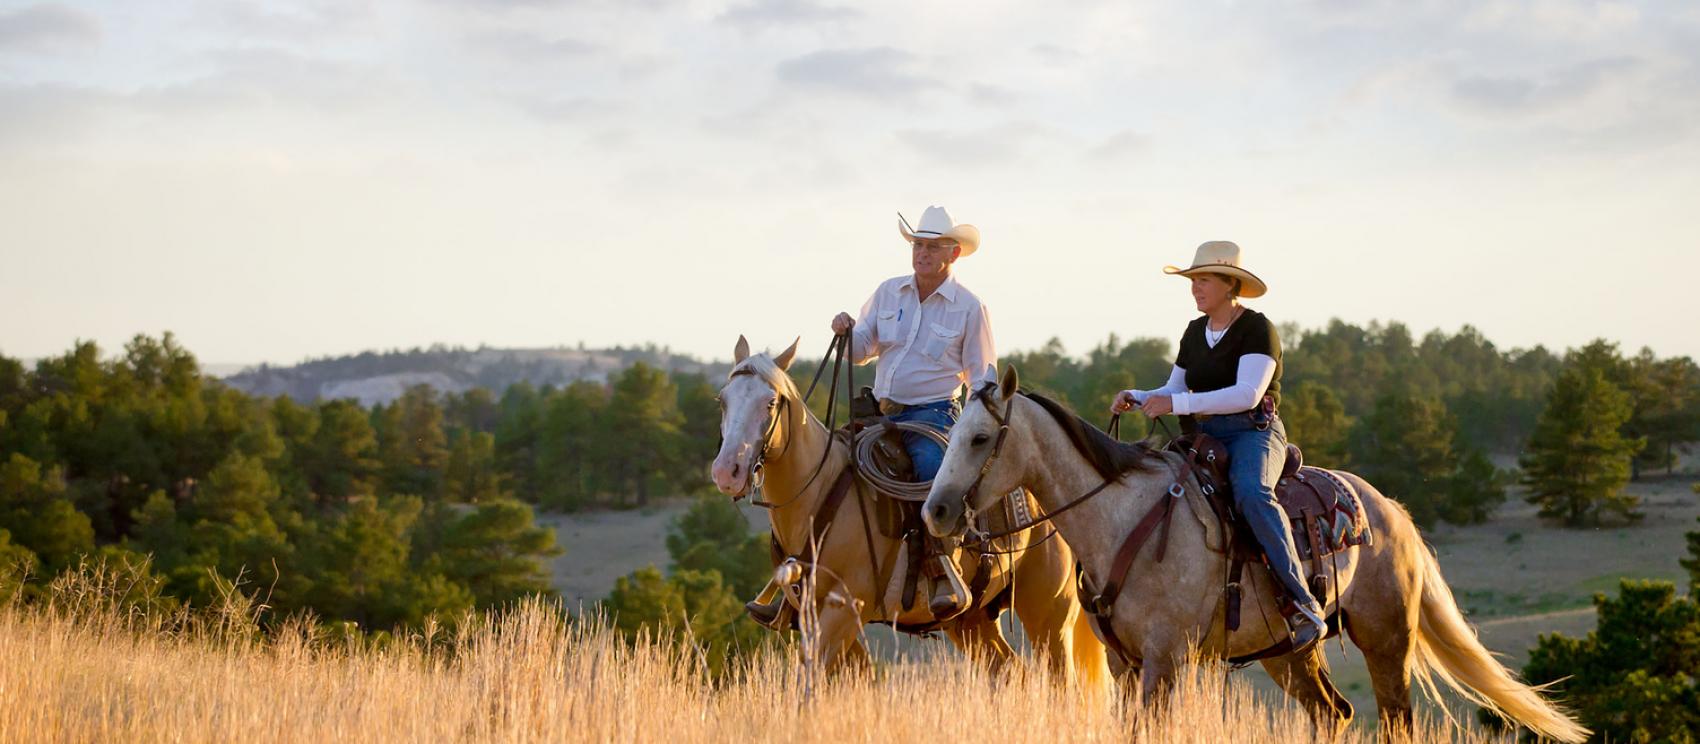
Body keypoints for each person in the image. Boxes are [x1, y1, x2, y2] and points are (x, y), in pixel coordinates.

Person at [1109, 240, 1327, 653]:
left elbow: (1247, 394)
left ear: (1230, 284)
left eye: (1204, 280)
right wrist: (1138, 396)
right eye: (1192, 281)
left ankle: (1302, 602)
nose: (1195, 288)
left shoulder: (1258, 329)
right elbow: (1174, 387)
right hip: (1202, 437)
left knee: (1252, 493)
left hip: (1253, 433)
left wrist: (1177, 404)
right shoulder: (1195, 332)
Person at [830, 205, 996, 617]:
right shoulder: (888, 292)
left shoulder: (969, 307)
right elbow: (861, 348)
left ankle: (940, 567)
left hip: (933, 415)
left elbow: (982, 378)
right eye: (918, 245)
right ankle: (810, 564)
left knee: (931, 475)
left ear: (953, 253)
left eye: (932, 247)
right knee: (828, 463)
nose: (922, 253)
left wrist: (975, 428)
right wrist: (846, 330)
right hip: (879, 413)